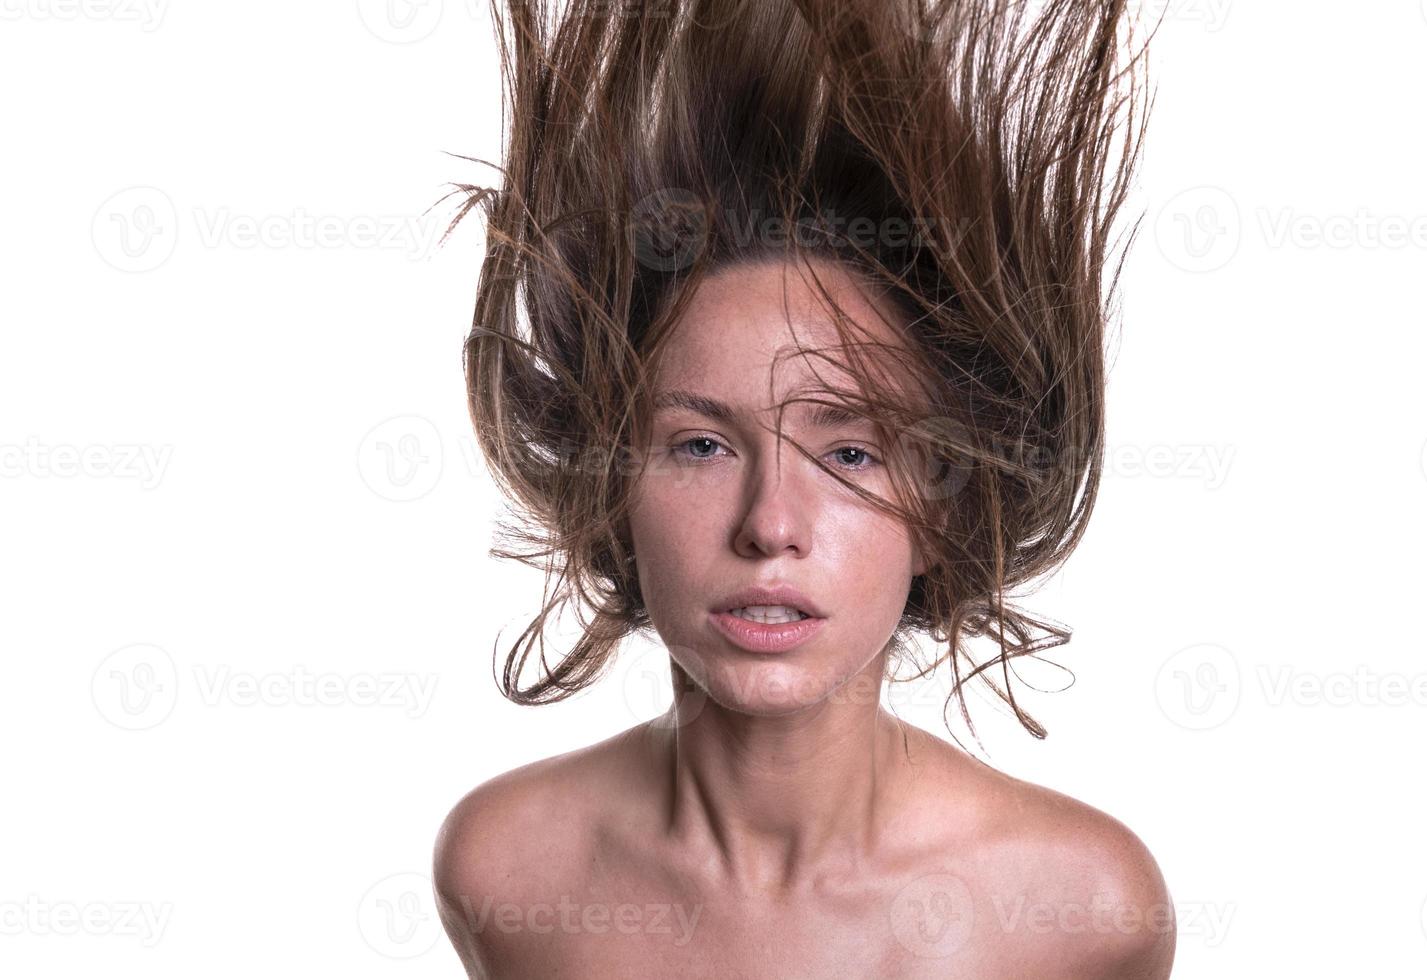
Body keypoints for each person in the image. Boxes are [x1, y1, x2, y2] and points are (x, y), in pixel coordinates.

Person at [434, 0, 1171, 975]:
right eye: (700, 444)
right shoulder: (506, 870)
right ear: (614, 483)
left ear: (943, 503)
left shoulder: (1082, 909)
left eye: (849, 453)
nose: (769, 525)